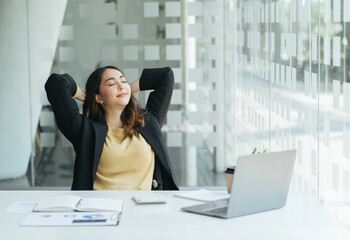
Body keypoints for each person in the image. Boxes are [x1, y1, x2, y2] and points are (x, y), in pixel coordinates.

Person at [45, 66, 178, 191]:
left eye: (123, 81)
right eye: (111, 84)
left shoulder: (148, 122)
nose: (121, 85)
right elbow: (56, 83)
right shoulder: (85, 130)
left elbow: (166, 75)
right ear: (99, 97)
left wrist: (127, 90)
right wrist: (87, 97)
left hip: (142, 210)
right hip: (99, 211)